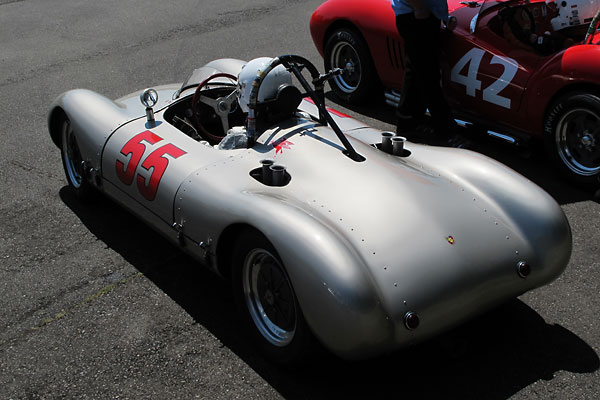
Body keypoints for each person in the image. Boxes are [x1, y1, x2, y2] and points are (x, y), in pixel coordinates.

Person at [391, 0, 469, 147]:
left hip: (423, 13)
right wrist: (419, 8)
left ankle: (408, 123)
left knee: (417, 72)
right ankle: (447, 133)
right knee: (428, 76)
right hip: (415, 15)